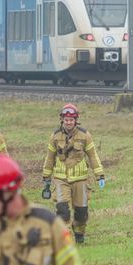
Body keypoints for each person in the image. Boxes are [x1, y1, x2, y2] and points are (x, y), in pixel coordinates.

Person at [41, 103, 105, 245]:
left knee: (81, 213)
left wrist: (99, 174)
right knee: (62, 210)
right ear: (62, 120)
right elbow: (50, 157)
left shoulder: (84, 135)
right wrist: (46, 177)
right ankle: (64, 239)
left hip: (80, 179)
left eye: (71, 119)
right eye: (66, 119)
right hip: (60, 179)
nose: (69, 122)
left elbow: (93, 156)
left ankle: (79, 236)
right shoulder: (55, 136)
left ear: (76, 120)